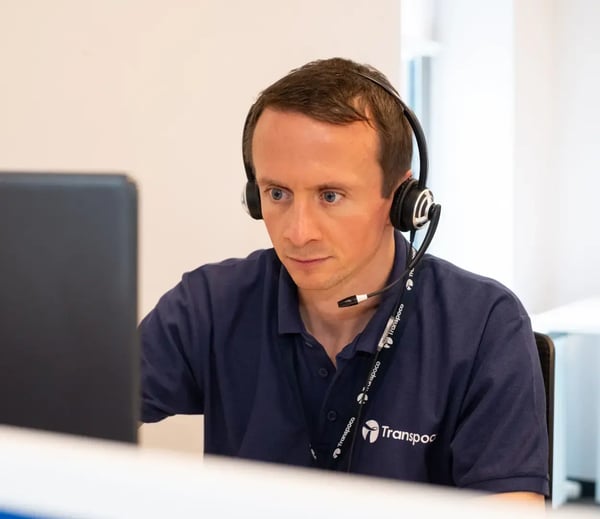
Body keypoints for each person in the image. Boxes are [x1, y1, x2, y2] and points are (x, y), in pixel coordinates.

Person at [140, 57, 548, 504]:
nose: (298, 231)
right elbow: (72, 415)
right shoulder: (210, 305)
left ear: (402, 200)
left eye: (330, 196)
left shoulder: (484, 325)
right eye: (277, 194)